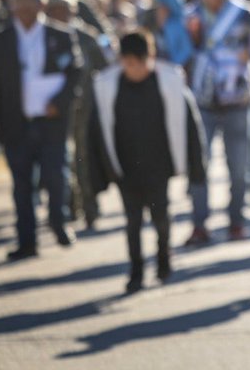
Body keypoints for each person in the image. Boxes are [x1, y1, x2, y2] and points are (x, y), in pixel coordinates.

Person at [88, 30, 206, 293]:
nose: (133, 70)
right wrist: (97, 176)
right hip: (125, 168)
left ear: (149, 58)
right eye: (127, 64)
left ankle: (164, 259)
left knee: (161, 216)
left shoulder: (170, 84)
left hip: (159, 166)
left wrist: (197, 167)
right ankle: (136, 270)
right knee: (132, 222)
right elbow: (96, 132)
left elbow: (190, 127)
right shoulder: (107, 87)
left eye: (137, 63)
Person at [0, 0, 83, 261]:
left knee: (56, 177)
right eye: (21, 6)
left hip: (51, 122)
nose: (26, 11)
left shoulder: (61, 35)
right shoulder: (0, 40)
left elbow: (76, 72)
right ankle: (27, 240)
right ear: (13, 7)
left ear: (43, 5)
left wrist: (60, 103)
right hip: (17, 123)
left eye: (31, 5)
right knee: (22, 186)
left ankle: (58, 220)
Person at [184, 0, 250, 245]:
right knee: (199, 165)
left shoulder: (245, 14)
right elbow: (179, 58)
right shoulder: (190, 17)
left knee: (238, 167)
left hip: (238, 101)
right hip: (202, 103)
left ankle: (236, 221)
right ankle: (199, 224)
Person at [46, 0, 111, 231]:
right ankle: (67, 208)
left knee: (83, 159)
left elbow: (103, 68)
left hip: (83, 107)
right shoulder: (44, 36)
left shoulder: (87, 37)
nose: (60, 14)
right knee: (60, 160)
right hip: (52, 108)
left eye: (64, 10)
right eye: (55, 10)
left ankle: (89, 207)